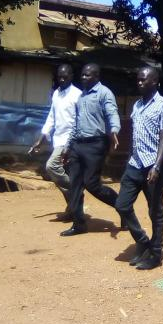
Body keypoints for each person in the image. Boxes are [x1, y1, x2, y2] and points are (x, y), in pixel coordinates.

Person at [115, 67, 163, 270]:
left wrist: (157, 165)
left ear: (155, 82)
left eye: (143, 80)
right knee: (122, 204)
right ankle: (142, 240)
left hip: (154, 165)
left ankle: (155, 253)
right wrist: (129, 156)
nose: (139, 83)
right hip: (135, 164)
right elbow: (134, 133)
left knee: (155, 210)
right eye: (138, 80)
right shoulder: (137, 105)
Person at [60, 63, 121, 236]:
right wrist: (67, 146)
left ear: (96, 77)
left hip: (96, 144)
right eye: (83, 75)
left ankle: (122, 207)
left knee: (92, 184)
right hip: (78, 144)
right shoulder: (81, 97)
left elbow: (112, 113)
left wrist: (114, 130)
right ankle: (79, 223)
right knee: (75, 185)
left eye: (88, 75)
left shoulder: (104, 93)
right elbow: (75, 124)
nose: (83, 78)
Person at [28, 64, 82, 220]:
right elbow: (51, 118)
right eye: (60, 77)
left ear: (72, 76)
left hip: (70, 141)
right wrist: (40, 140)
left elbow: (79, 121)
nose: (62, 79)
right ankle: (73, 209)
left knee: (52, 166)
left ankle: (76, 191)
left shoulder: (78, 95)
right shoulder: (56, 94)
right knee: (62, 177)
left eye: (65, 76)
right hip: (58, 140)